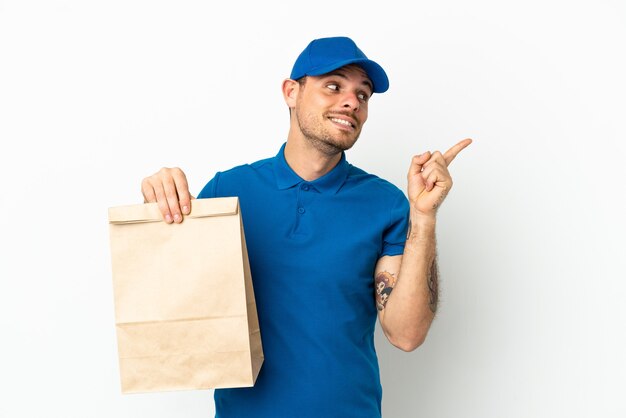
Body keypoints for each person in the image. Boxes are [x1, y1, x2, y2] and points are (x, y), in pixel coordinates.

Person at [141, 36, 471, 418]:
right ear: (291, 92)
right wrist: (158, 206)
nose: (352, 101)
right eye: (334, 86)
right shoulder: (227, 191)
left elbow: (406, 334)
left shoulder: (387, 203)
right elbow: (178, 306)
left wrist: (424, 217)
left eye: (362, 95)